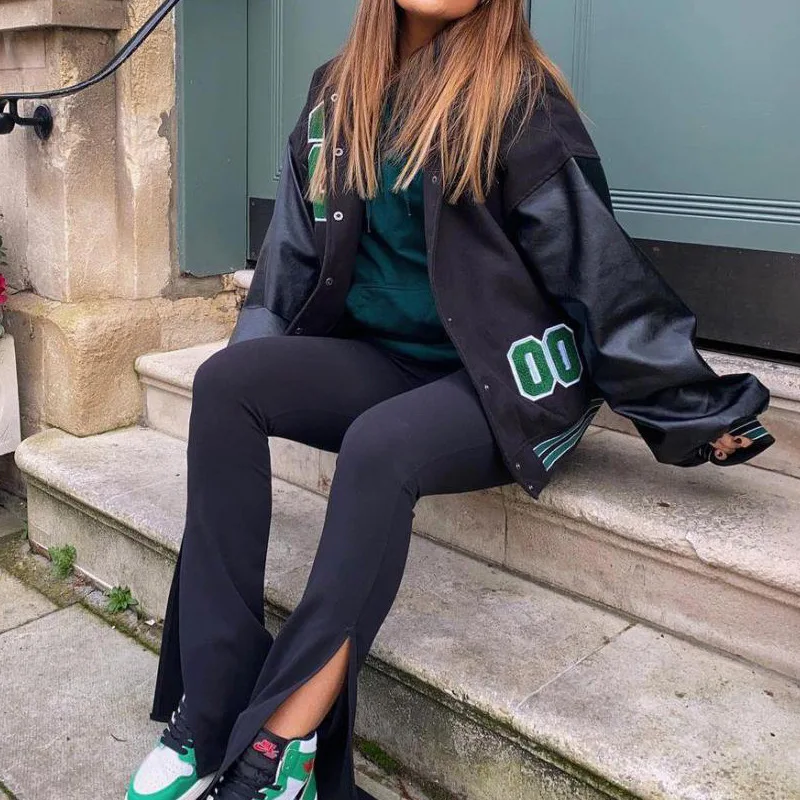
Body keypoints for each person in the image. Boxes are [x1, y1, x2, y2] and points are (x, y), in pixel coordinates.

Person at [126, 1, 775, 798]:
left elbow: (597, 268)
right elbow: (290, 257)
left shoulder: (518, 96)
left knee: (381, 446)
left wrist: (691, 407)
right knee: (227, 382)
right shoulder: (335, 92)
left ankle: (280, 749)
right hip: (385, 358)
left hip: (501, 377)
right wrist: (264, 363)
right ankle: (213, 704)